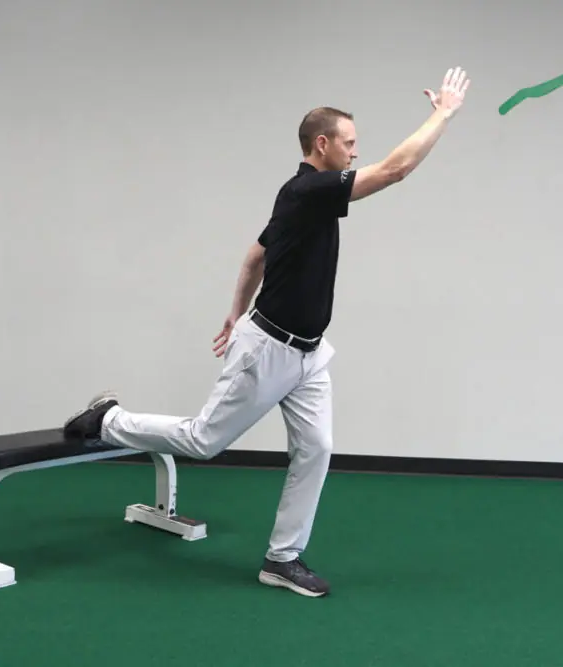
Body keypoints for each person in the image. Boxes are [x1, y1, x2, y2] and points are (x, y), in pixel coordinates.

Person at [63, 66, 471, 598]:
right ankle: (109, 419)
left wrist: (235, 312)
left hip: (309, 354)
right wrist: (442, 112)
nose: (354, 152)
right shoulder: (308, 192)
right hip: (271, 350)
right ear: (320, 145)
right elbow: (395, 170)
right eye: (348, 144)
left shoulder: (303, 200)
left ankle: (283, 559)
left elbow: (256, 253)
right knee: (203, 440)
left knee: (317, 448)